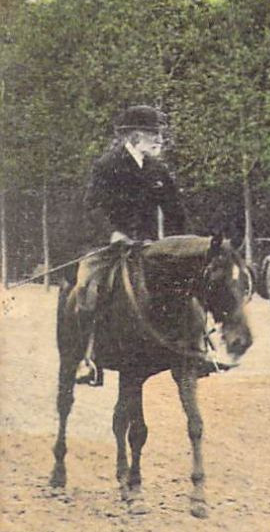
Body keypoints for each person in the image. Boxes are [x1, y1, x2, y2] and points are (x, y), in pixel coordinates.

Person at [66, 105, 192, 384]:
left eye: (159, 133)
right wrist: (113, 234)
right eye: (153, 134)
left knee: (186, 282)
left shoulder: (158, 169)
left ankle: (194, 349)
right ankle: (86, 359)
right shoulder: (106, 165)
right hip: (107, 246)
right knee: (87, 287)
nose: (159, 139)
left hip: (148, 247)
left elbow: (175, 212)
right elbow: (92, 207)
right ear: (134, 138)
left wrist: (177, 244)